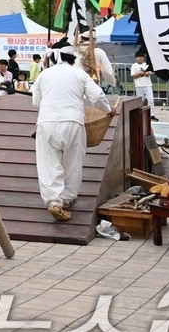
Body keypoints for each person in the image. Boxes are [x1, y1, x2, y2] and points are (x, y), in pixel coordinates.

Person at [31, 41, 113, 220]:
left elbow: (36, 101)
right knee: (73, 162)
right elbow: (97, 95)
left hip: (47, 122)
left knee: (48, 163)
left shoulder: (44, 74)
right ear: (73, 58)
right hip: (73, 122)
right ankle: (67, 198)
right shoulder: (79, 74)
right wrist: (108, 110)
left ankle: (54, 201)